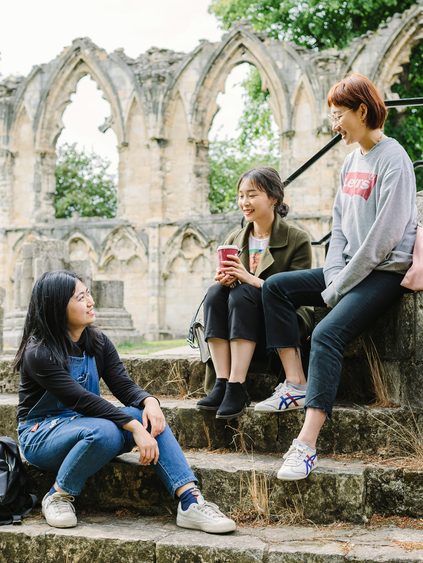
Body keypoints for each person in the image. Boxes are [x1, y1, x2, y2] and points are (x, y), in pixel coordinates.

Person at [258, 73, 417, 480]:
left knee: (327, 334)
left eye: (338, 114)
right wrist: (333, 273)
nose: (334, 124)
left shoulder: (394, 158)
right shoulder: (351, 160)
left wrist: (339, 287)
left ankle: (306, 446)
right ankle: (295, 383)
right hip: (347, 271)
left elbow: (384, 238)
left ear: (362, 111)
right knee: (276, 287)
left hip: (383, 273)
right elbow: (340, 223)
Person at [14, 271, 236, 533]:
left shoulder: (97, 342)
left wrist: (149, 402)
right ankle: (58, 494)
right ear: (57, 306)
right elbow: (81, 400)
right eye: (81, 297)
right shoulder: (38, 352)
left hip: (87, 427)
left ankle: (190, 500)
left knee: (145, 419)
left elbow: (124, 386)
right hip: (42, 434)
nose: (90, 301)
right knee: (106, 429)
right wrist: (134, 428)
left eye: (88, 294)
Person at [197, 167, 314, 419]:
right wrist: (226, 279)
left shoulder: (297, 239)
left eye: (251, 195)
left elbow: (299, 295)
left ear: (273, 198)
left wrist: (249, 279)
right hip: (241, 321)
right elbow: (230, 286)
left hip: (281, 322)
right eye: (240, 196)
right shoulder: (235, 237)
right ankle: (222, 382)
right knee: (215, 292)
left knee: (244, 294)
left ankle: (237, 385)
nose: (244, 202)